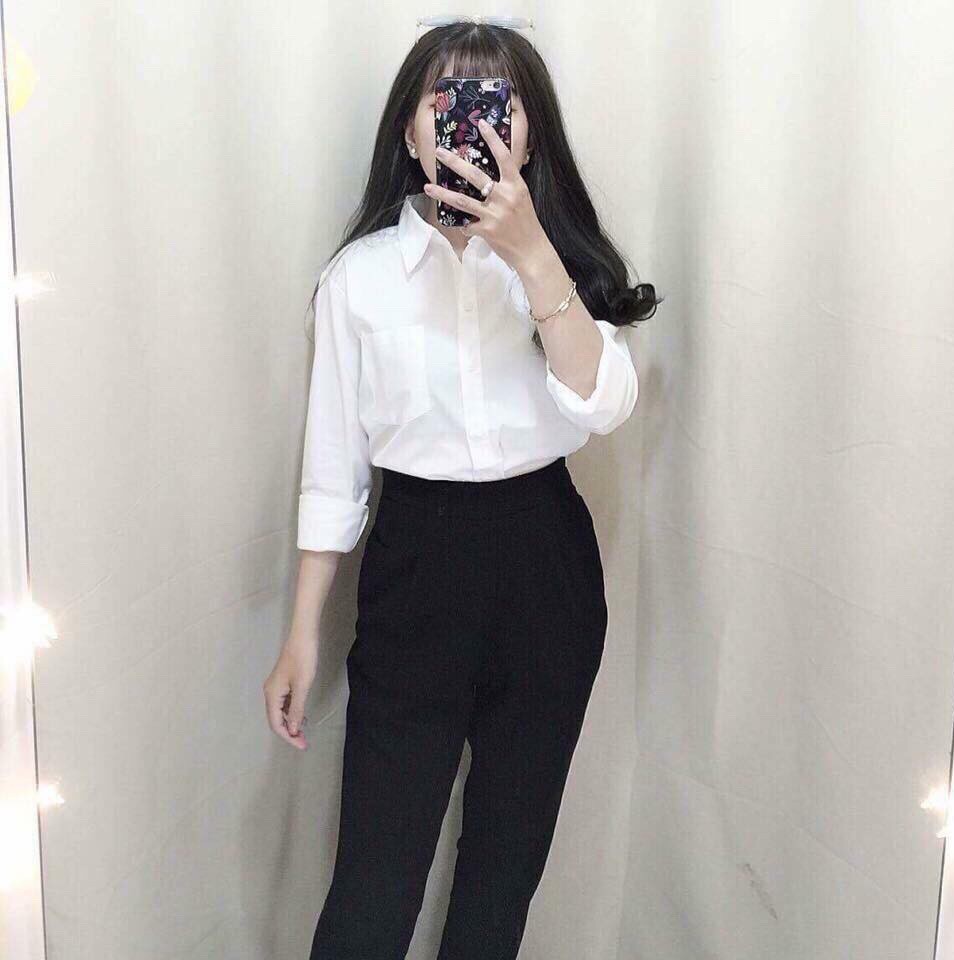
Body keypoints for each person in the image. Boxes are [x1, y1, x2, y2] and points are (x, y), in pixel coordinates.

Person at [262, 19, 659, 960]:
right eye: (446, 98)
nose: (471, 119)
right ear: (410, 131)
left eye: (497, 102)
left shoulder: (559, 265)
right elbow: (334, 471)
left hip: (546, 562)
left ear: (529, 131)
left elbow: (607, 403)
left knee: (503, 870)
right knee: (375, 877)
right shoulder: (358, 280)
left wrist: (531, 255)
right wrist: (302, 634)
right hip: (416, 563)